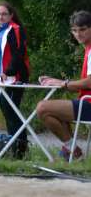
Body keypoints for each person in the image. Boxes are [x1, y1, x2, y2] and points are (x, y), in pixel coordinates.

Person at [37, 10, 91, 161]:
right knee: (56, 109)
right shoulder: (88, 48)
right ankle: (71, 152)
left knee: (43, 108)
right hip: (86, 101)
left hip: (89, 103)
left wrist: (63, 83)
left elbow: (89, 82)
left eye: (83, 29)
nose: (78, 34)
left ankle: (73, 151)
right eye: (74, 30)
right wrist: (56, 81)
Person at [0, 0, 30, 158]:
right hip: (0, 81)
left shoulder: (15, 30)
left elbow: (18, 54)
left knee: (12, 112)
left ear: (11, 15)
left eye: (4, 14)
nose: (1, 16)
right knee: (7, 113)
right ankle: (14, 148)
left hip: (14, 78)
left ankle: (21, 150)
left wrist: (8, 72)